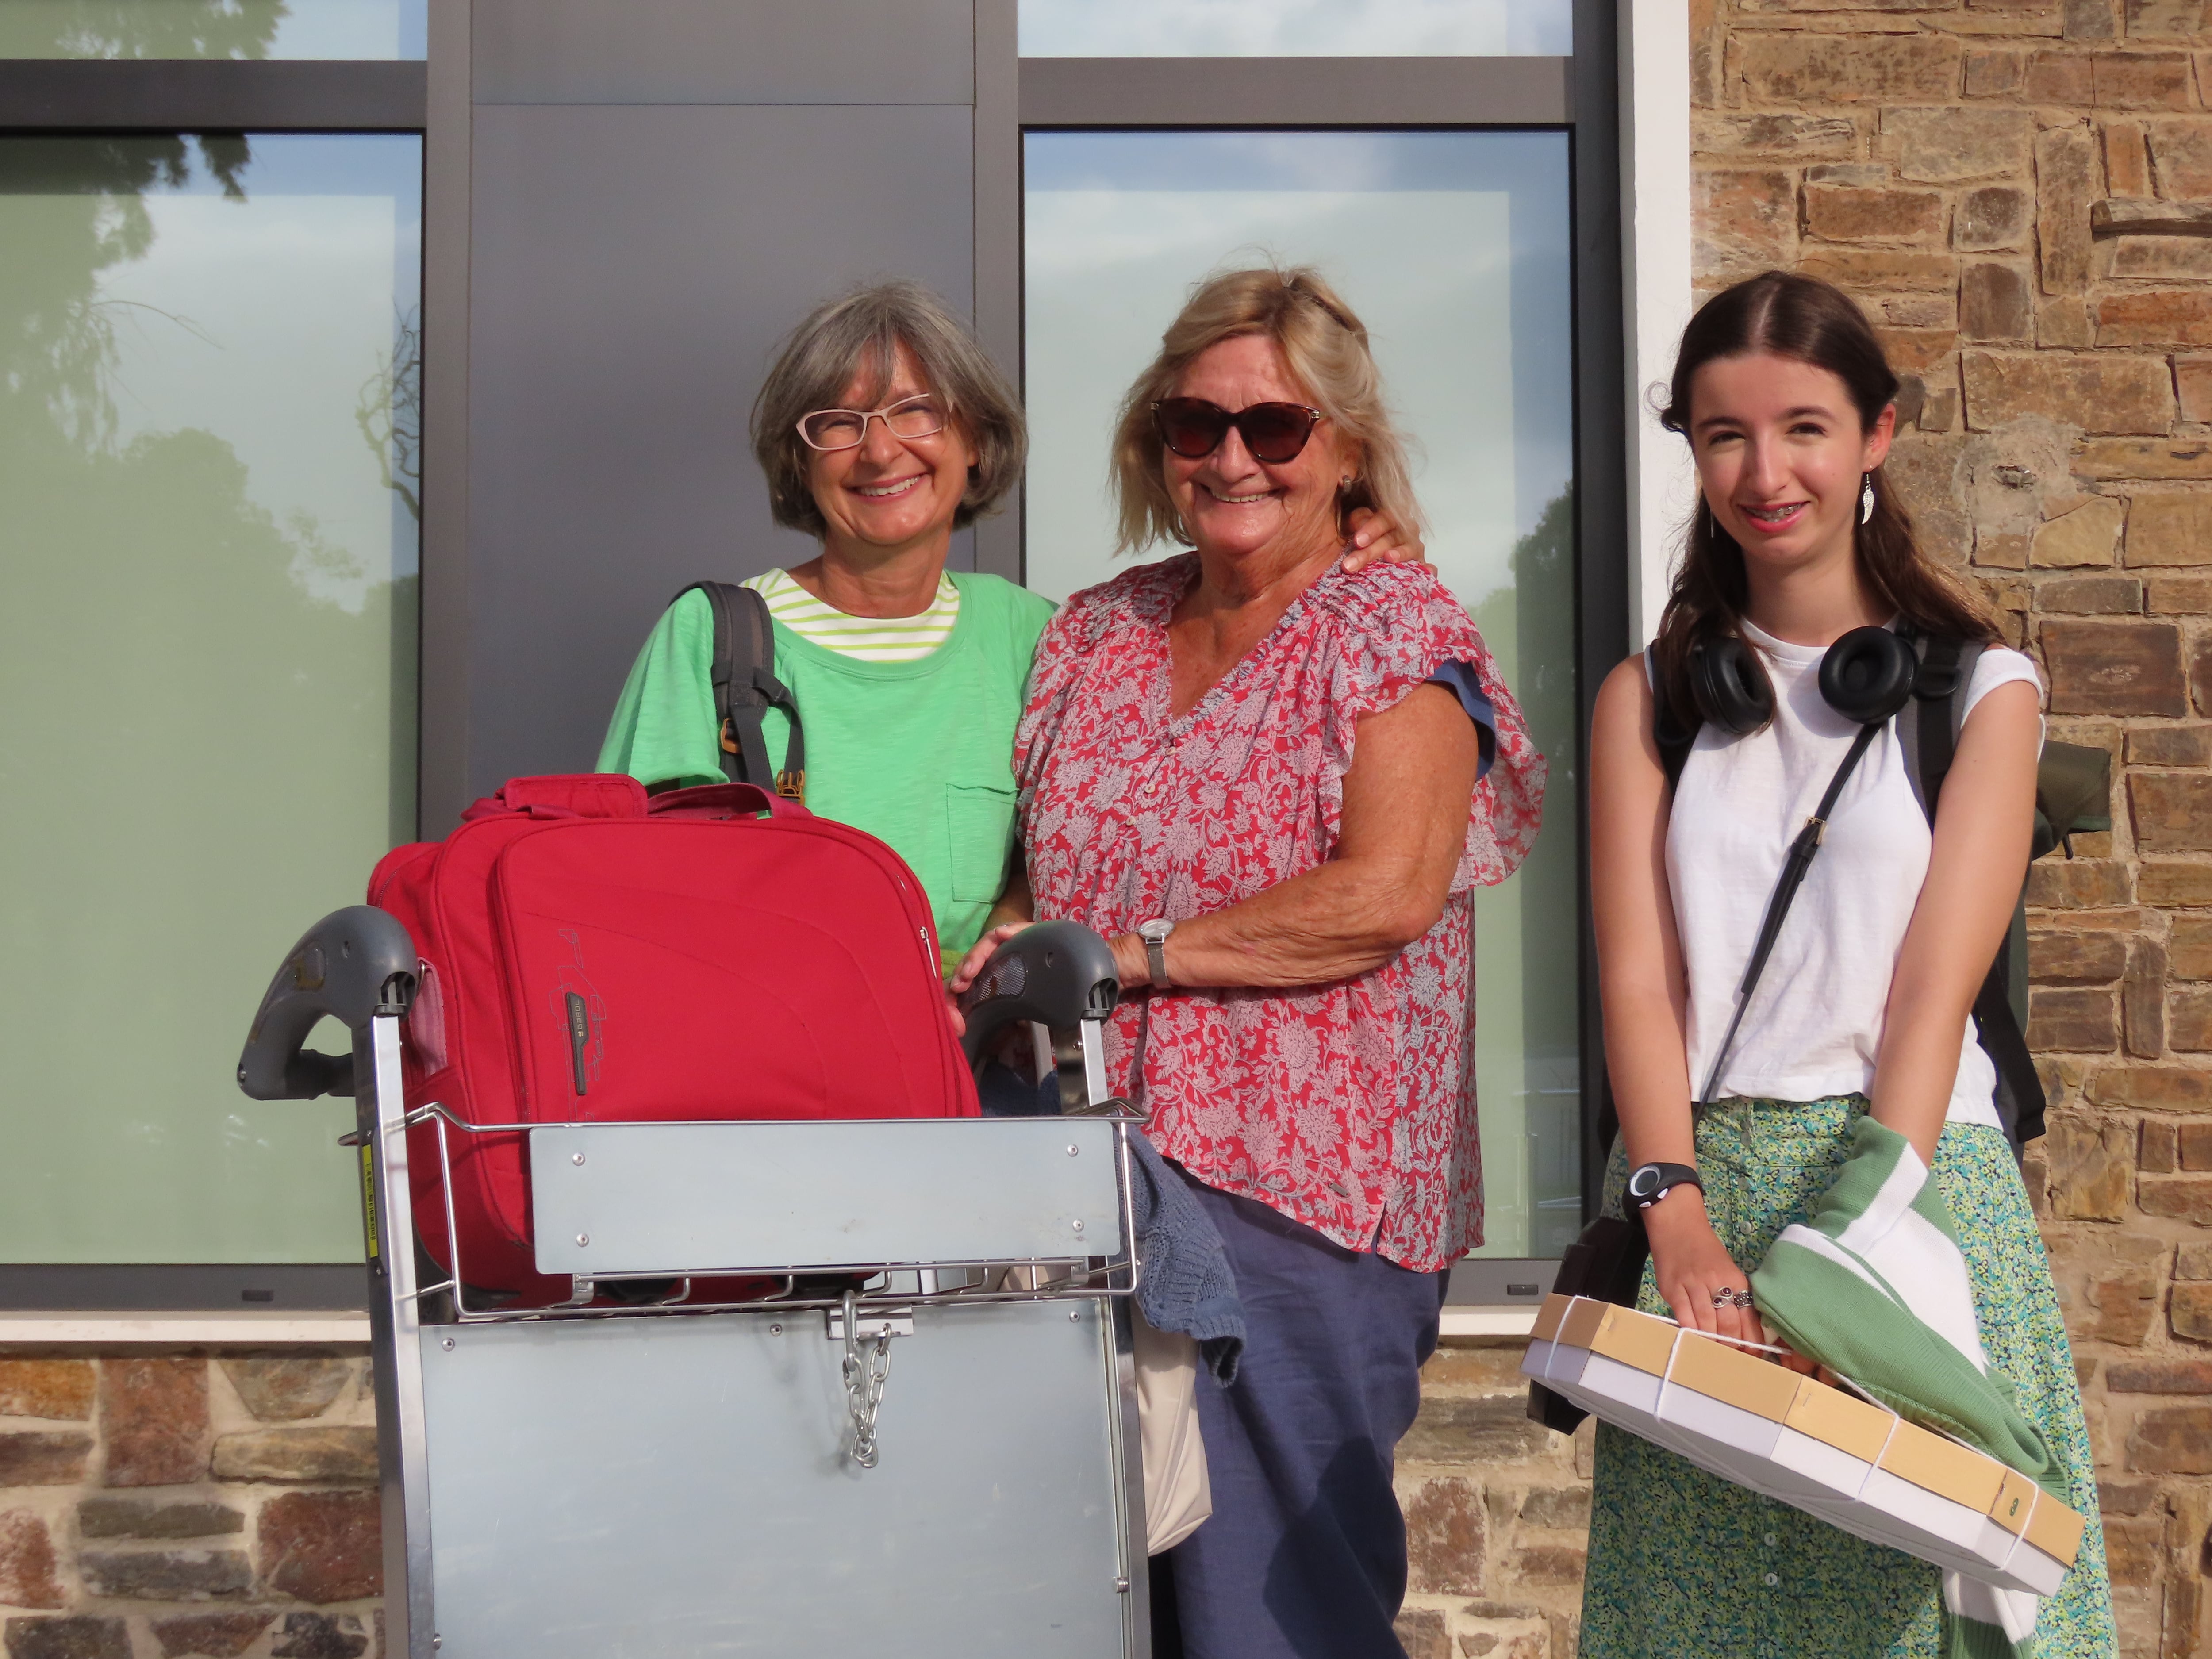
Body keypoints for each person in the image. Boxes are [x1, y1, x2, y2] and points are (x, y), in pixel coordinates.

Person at [957, 265, 1545, 1659]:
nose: (1232, 457)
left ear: (1342, 443)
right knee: (1082, 1601)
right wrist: (1017, 931)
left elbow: (1387, 893)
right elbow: (1053, 868)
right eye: (1195, 424)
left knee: (1277, 1608)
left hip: (1297, 1192)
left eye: (1275, 428)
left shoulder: (1392, 628)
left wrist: (1140, 953)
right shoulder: (1094, 631)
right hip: (1074, 1181)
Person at [1578, 271, 2116, 1657]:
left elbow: (1931, 995)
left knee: (1926, 1615)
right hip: (1706, 1201)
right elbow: (1643, 983)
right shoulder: (1650, 699)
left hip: (1912, 1191)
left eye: (1806, 428)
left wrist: (1853, 1250)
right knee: (1710, 1616)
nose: (1768, 472)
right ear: (1692, 453)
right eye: (1725, 436)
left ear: (1876, 435)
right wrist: (1676, 1213)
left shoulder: (1981, 692)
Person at [597, 280, 1427, 988]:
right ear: (800, 461)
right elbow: (639, 906)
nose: (881, 451)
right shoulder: (714, 639)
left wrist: (1344, 530)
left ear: (975, 444)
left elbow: (1063, 866)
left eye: (915, 412)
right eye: (837, 422)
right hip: (772, 1099)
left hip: (978, 1100)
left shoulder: (1040, 638)